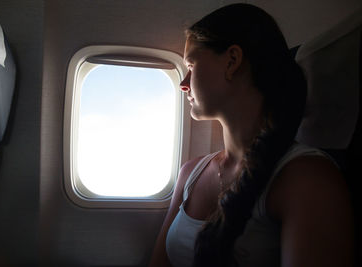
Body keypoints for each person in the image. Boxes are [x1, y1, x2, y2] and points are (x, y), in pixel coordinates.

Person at [149, 3, 354, 267]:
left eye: (191, 64)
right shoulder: (190, 173)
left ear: (232, 61)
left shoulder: (307, 179)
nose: (183, 82)